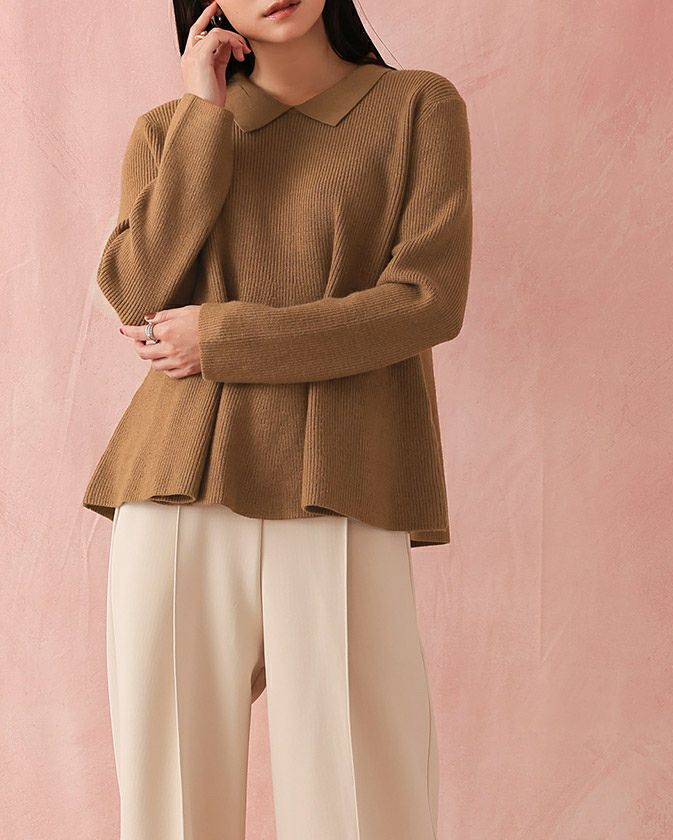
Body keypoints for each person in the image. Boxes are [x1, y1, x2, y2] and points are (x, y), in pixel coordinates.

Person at [84, 0, 472, 837]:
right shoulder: (170, 129)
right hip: (178, 482)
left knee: (362, 801)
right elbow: (139, 293)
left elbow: (426, 301)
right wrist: (204, 114)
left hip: (344, 478)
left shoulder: (417, 106)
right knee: (169, 807)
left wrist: (226, 337)